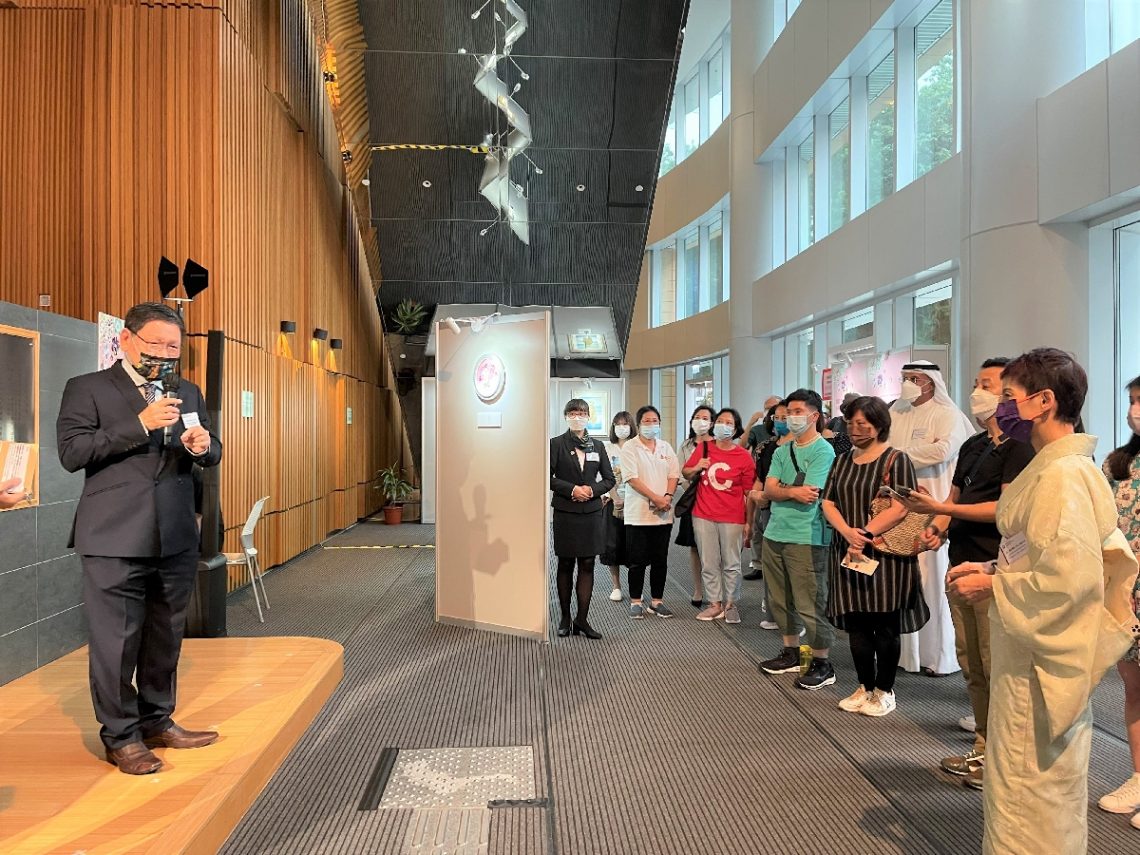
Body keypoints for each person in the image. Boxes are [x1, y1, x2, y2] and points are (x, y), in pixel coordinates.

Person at [946, 348, 1138, 854]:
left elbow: (1068, 581)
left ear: (1043, 401)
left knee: (1031, 792)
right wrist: (992, 566)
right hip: (1025, 651)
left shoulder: (1063, 477)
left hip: (1039, 664)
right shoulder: (1058, 469)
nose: (997, 405)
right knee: (1021, 783)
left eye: (1007, 396)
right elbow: (1043, 553)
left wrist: (994, 585)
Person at [56, 302, 223, 775]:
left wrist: (204, 446)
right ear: (127, 340)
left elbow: (211, 446)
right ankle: (121, 737)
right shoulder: (87, 389)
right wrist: (139, 425)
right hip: (112, 536)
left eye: (174, 346)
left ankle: (157, 720)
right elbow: (72, 452)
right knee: (116, 642)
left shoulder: (187, 391)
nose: (166, 354)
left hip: (173, 535)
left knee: (165, 636)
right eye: (156, 344)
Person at [905, 358, 1035, 790]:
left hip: (996, 570)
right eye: (977, 383)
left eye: (990, 385)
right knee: (972, 664)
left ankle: (1002, 758)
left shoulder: (1021, 447)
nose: (979, 392)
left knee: (998, 666)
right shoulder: (975, 445)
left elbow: (1004, 509)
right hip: (960, 563)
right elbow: (956, 496)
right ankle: (982, 744)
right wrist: (935, 530)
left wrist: (942, 510)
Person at [822, 396, 928, 717]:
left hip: (886, 555)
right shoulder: (841, 461)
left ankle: (884, 690)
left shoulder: (897, 460)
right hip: (847, 550)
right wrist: (847, 533)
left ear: (879, 425)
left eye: (862, 425)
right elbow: (828, 502)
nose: (854, 430)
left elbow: (901, 507)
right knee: (856, 623)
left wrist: (864, 533)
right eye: (851, 424)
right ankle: (864, 686)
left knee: (884, 624)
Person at [889, 360, 974, 676]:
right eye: (905, 377)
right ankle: (904, 654)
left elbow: (943, 452)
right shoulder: (895, 412)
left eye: (915, 378)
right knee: (903, 576)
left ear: (930, 382)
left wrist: (900, 454)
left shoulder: (947, 413)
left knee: (933, 577)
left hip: (935, 503)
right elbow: (884, 449)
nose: (908, 383)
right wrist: (907, 452)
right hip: (898, 502)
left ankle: (937, 657)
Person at [758, 389, 838, 690]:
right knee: (780, 599)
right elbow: (770, 490)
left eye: (797, 411)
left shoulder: (823, 451)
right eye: (788, 412)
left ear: (814, 415)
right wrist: (790, 490)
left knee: (810, 600)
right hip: (775, 532)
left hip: (808, 536)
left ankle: (822, 661)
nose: (791, 417)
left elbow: (811, 495)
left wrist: (782, 490)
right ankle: (791, 651)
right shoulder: (781, 451)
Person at [1097, 374, 1140, 826]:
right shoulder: (1118, 464)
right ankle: (1138, 776)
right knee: (1133, 687)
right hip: (1127, 591)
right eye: (1131, 400)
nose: (1134, 409)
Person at [682, 408, 756, 624]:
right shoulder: (704, 447)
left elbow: (749, 493)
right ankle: (714, 603)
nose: (724, 425)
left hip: (733, 516)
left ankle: (731, 603)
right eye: (721, 421)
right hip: (703, 514)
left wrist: (749, 522)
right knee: (709, 561)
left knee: (732, 562)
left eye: (729, 422)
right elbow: (686, 472)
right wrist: (697, 466)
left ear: (735, 429)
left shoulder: (743, 456)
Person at [550, 399, 616, 640]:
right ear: (566, 416)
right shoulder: (556, 444)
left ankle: (582, 619)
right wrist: (571, 489)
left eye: (581, 413)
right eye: (573, 413)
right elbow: (547, 476)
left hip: (590, 513)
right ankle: (565, 618)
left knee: (587, 565)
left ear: (589, 416)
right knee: (566, 564)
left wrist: (590, 490)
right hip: (566, 512)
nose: (577, 417)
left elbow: (609, 479)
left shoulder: (597, 446)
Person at [621, 405, 680, 619]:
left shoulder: (665, 447)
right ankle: (636, 601)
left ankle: (657, 601)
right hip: (638, 514)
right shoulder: (630, 447)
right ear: (638, 424)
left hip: (663, 514)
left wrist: (667, 497)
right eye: (646, 421)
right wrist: (655, 498)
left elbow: (674, 475)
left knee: (660, 560)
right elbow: (632, 478)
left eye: (654, 420)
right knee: (637, 561)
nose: (651, 424)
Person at [743, 401, 791, 632]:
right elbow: (759, 481)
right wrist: (756, 495)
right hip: (768, 512)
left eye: (786, 416)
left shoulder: (806, 447)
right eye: (777, 417)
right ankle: (773, 612)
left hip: (794, 515)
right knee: (771, 566)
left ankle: (793, 617)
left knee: (792, 568)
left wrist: (772, 492)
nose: (781, 421)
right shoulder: (765, 447)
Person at [676, 405, 715, 607]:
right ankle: (698, 589)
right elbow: (682, 472)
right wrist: (692, 486)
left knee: (715, 548)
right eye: (697, 417)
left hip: (715, 500)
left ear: (712, 422)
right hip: (693, 498)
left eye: (705, 417)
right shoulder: (686, 445)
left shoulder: (719, 444)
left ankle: (716, 591)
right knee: (694, 546)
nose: (701, 421)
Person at [601, 411, 634, 602]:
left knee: (632, 545)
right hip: (613, 501)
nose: (622, 427)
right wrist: (611, 496)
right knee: (612, 545)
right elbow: (602, 474)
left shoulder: (637, 447)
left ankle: (634, 588)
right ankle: (616, 586)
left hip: (635, 502)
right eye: (618, 424)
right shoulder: (607, 448)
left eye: (625, 423)